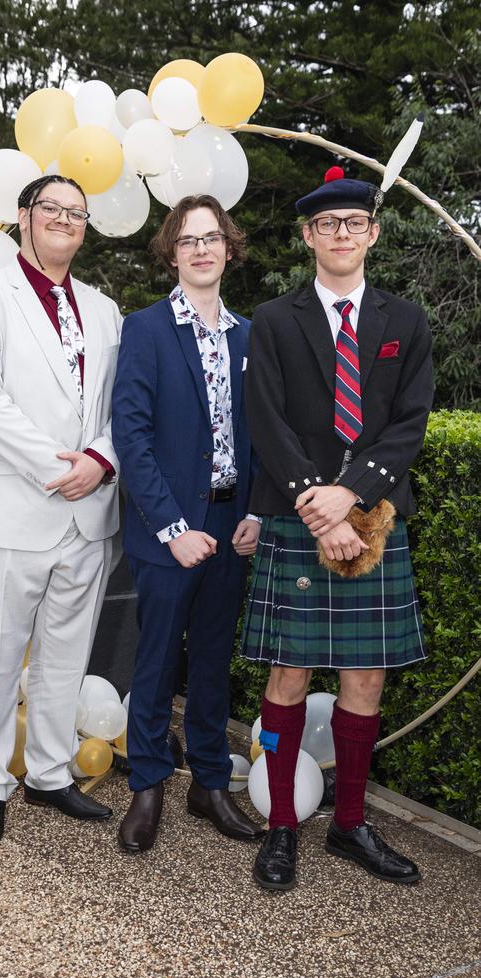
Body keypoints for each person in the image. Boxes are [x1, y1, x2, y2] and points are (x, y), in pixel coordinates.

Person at [243, 167, 433, 890]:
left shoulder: (405, 321)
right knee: (288, 672)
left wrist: (349, 498)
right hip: (300, 519)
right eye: (328, 225)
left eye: (354, 223)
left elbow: (408, 425)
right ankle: (281, 827)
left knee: (365, 674)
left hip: (376, 514)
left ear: (373, 233)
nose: (342, 235)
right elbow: (268, 421)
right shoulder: (274, 318)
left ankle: (350, 823)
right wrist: (315, 505)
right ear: (308, 237)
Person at [0, 174, 122, 847]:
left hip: (88, 514)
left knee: (63, 656)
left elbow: (121, 407)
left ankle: (50, 773)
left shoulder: (106, 310)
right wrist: (61, 470)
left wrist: (100, 462)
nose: (65, 220)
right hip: (10, 512)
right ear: (24, 218)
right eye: (52, 209)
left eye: (77, 213)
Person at [111, 194, 265, 853]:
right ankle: (147, 785)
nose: (201, 249)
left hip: (233, 527)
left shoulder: (251, 336)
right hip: (167, 531)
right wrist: (175, 528)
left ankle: (208, 783)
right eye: (187, 240)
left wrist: (257, 510)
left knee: (210, 662)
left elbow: (263, 435)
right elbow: (132, 436)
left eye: (212, 238)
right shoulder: (145, 330)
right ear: (170, 254)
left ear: (229, 249)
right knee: (154, 663)